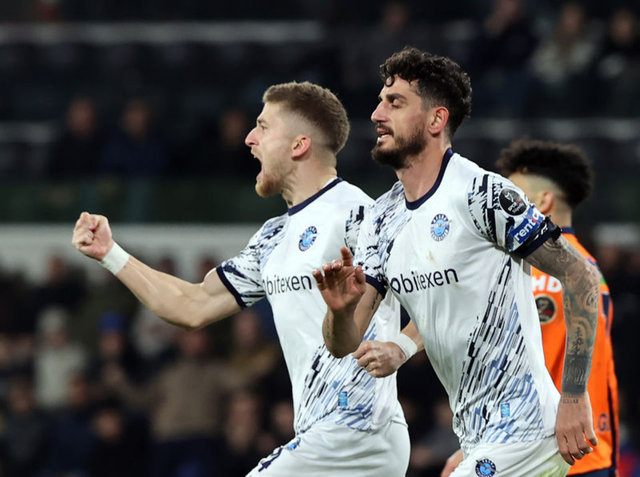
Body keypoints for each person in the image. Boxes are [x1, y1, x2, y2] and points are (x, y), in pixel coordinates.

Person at [72, 81, 409, 476]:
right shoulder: (273, 237)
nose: (250, 138)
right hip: (323, 434)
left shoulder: (359, 215)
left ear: (299, 145)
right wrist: (111, 254)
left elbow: (439, 295)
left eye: (263, 127)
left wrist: (401, 347)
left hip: (358, 429)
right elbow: (192, 305)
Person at [313, 47, 601, 476]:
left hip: (525, 429)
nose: (376, 114)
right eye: (380, 101)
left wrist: (574, 396)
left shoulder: (483, 195)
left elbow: (581, 276)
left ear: (436, 120)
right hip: (476, 437)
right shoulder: (380, 220)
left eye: (395, 103)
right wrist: (339, 311)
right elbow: (344, 344)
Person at [494, 139, 619, 477]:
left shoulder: (526, 273)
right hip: (590, 450)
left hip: (538, 453)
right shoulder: (590, 269)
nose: (502, 208)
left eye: (513, 196)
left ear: (542, 202)